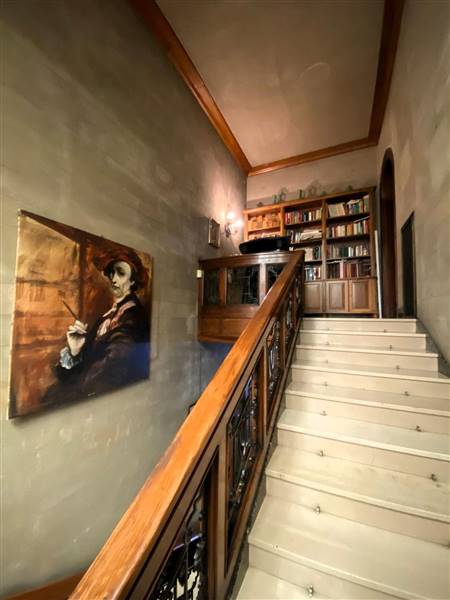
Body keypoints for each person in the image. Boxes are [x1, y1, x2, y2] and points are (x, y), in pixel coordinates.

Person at [46, 247, 150, 404]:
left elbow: (113, 363)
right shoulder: (109, 314)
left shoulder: (132, 316)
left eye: (121, 273)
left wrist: (73, 388)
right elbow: (89, 358)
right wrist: (75, 350)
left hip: (106, 396)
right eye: (112, 273)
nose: (113, 279)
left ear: (133, 281)